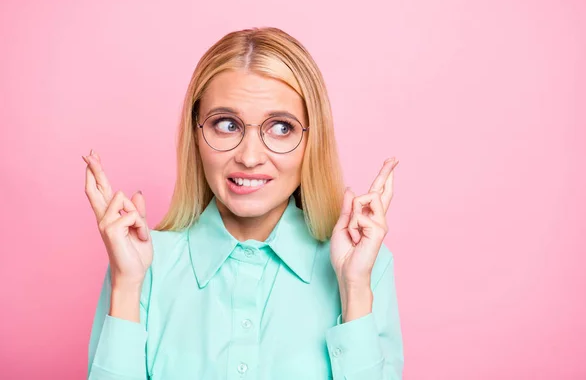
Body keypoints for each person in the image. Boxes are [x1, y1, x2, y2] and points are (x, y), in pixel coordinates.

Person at [83, 27, 404, 380]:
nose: (250, 157)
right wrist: (127, 285)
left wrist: (354, 288)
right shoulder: (141, 265)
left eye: (281, 127)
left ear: (312, 139)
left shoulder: (364, 265)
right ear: (196, 134)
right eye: (226, 124)